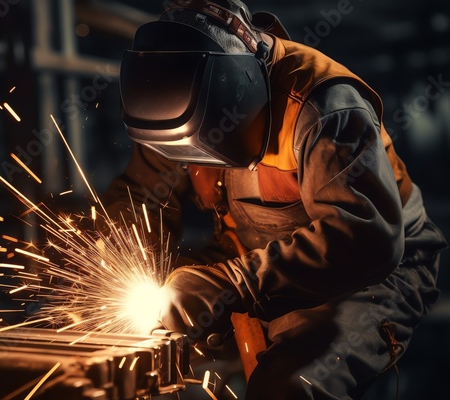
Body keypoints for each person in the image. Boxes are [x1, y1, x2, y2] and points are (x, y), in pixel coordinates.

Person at [102, 0, 448, 398]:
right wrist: (127, 267)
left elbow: (366, 237)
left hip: (372, 264)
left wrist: (233, 283)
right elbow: (141, 196)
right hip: (252, 251)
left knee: (288, 387)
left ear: (241, 91)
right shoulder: (174, 99)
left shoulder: (322, 107)